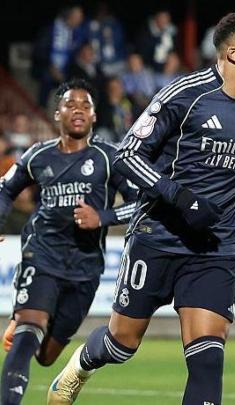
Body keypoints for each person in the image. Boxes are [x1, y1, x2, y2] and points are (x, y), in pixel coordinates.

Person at [47, 10, 235, 405]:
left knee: (208, 358)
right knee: (122, 343)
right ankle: (81, 366)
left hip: (216, 246)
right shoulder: (185, 95)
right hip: (158, 236)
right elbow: (127, 156)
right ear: (234, 54)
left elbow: (234, 166)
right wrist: (181, 198)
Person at [0, 78, 137, 405]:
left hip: (85, 267)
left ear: (94, 116)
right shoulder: (38, 155)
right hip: (41, 255)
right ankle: (24, 320)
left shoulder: (109, 157)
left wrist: (102, 217)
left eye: (85, 105)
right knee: (28, 334)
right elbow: (5, 189)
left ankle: (29, 325)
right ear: (57, 114)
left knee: (46, 356)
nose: (78, 110)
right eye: (70, 105)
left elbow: (142, 203)